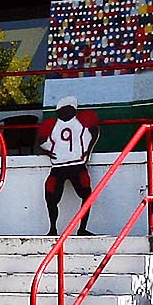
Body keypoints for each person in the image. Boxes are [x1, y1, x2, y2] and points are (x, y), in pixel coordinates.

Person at [42, 97, 101, 235]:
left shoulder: (80, 122)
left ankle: (81, 228)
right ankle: (53, 229)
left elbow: (95, 131)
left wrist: (88, 151)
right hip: (60, 166)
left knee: (86, 194)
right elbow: (40, 142)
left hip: (76, 165)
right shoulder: (54, 124)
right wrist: (47, 151)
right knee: (51, 196)